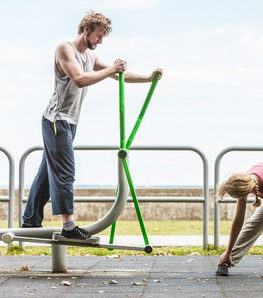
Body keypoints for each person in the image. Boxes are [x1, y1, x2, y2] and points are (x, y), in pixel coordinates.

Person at [21, 11, 163, 240]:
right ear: (86, 29)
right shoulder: (65, 49)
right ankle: (69, 227)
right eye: (99, 35)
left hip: (70, 122)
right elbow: (79, 79)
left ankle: (29, 221)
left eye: (103, 37)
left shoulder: (91, 58)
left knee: (47, 175)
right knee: (65, 173)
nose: (100, 41)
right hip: (56, 120)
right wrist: (112, 69)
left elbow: (119, 76)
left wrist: (148, 77)